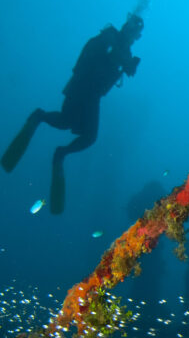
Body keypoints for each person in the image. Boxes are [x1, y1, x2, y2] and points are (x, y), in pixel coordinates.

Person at [2, 13, 144, 214]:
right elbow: (110, 52)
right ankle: (39, 117)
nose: (133, 37)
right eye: (132, 31)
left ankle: (61, 153)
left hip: (93, 96)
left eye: (137, 35)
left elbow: (121, 64)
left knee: (88, 136)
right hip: (80, 87)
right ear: (125, 28)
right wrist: (126, 62)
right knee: (65, 123)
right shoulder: (110, 36)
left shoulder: (125, 50)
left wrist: (130, 66)